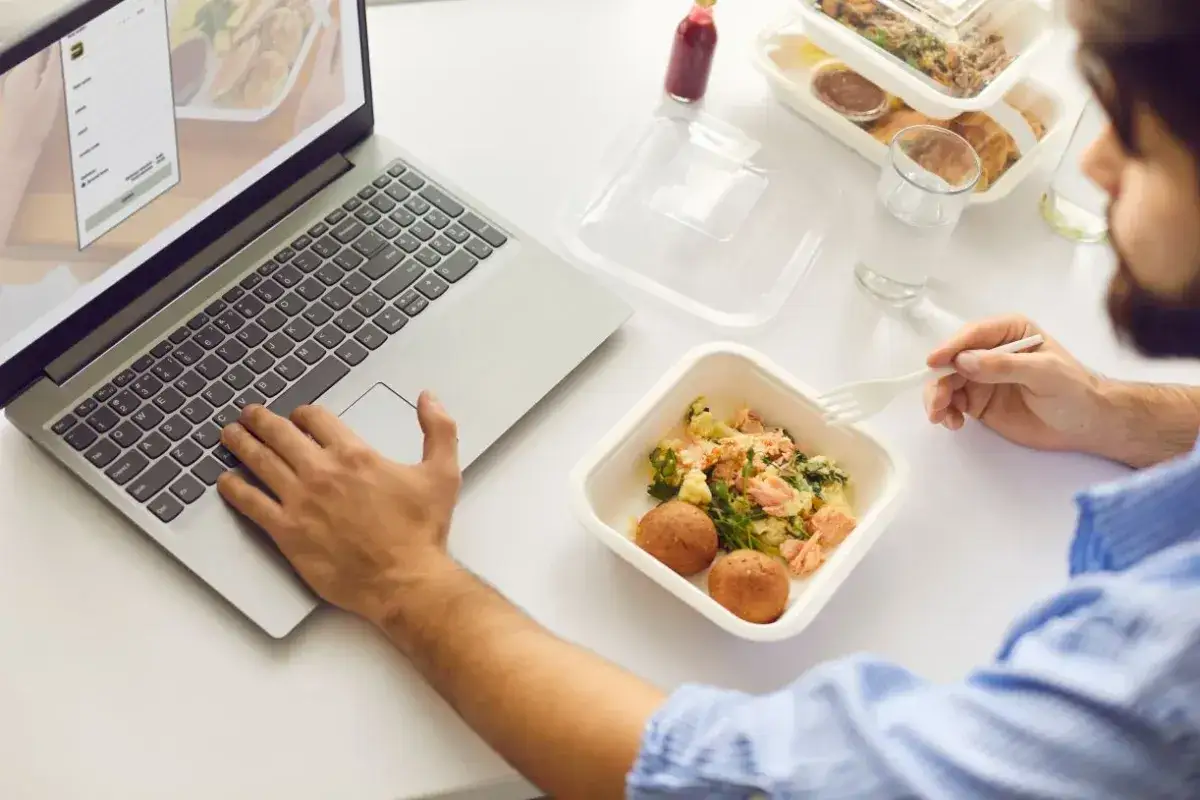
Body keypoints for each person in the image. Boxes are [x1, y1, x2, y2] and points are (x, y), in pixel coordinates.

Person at [214, 0, 1200, 796]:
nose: (1099, 162)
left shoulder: (1162, 683)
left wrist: (405, 579)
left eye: (1138, 134)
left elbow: (745, 780)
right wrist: (1126, 415)